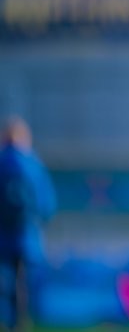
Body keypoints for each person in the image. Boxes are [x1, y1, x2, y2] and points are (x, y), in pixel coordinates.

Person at [0, 116, 56, 331]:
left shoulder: (2, 162)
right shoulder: (33, 163)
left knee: (8, 281)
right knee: (26, 281)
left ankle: (12, 322)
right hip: (28, 235)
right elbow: (47, 203)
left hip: (4, 236)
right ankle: (24, 321)